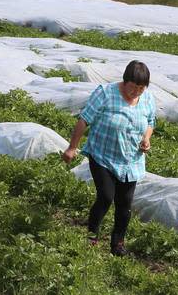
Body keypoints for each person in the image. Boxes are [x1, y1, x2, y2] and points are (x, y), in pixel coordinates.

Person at [62, 60, 156, 257]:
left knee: (124, 205)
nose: (136, 92)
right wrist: (72, 147)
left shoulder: (147, 98)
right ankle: (92, 235)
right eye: (133, 87)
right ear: (124, 81)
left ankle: (118, 244)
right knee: (105, 196)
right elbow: (84, 119)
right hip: (102, 155)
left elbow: (150, 122)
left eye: (141, 88)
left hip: (131, 159)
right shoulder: (106, 93)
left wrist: (146, 138)